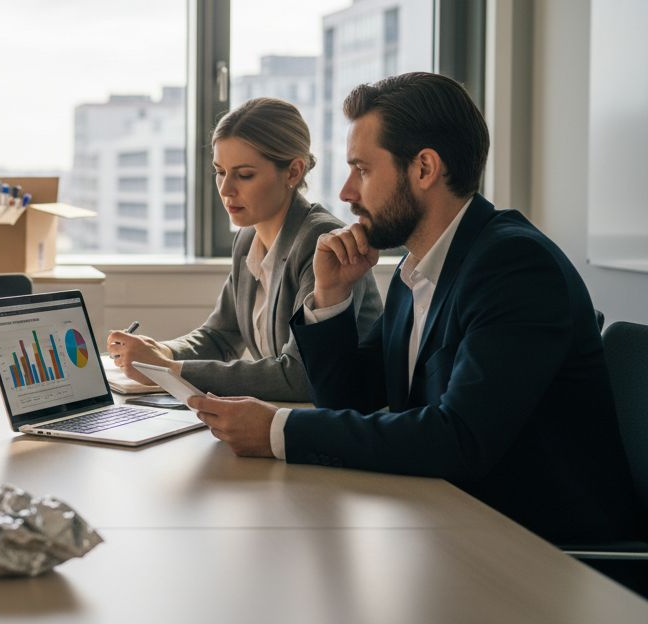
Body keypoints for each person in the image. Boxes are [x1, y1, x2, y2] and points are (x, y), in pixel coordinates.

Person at [188, 72, 640, 543]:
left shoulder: (515, 267)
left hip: (542, 552)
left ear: (423, 169)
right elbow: (349, 397)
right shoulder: (417, 268)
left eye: (361, 170)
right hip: (450, 523)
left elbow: (457, 438)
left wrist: (278, 430)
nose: (345, 192)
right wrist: (329, 298)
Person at [107, 97, 381, 401]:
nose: (225, 189)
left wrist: (171, 369)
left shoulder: (321, 239)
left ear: (293, 172)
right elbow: (221, 335)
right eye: (220, 171)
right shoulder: (247, 238)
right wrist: (162, 351)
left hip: (343, 419)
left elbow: (298, 375)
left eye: (244, 174)